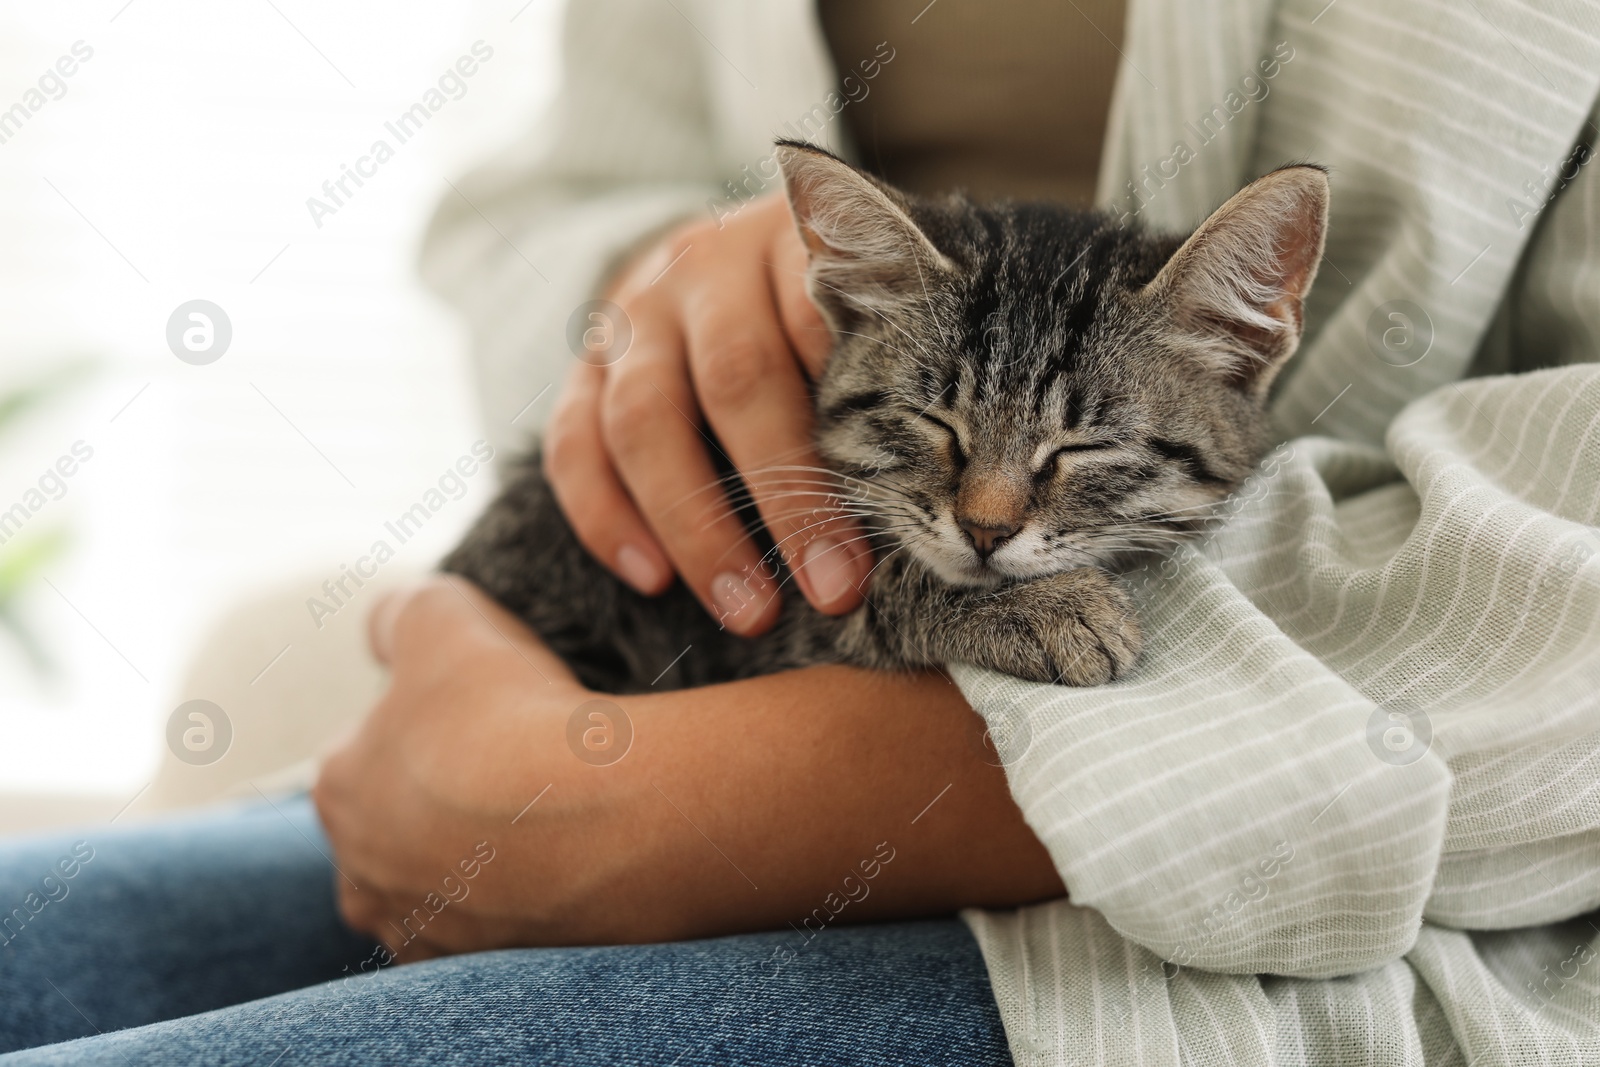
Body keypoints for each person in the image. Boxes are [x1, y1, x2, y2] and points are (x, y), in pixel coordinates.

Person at [4, 0, 1599, 1063]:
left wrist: (674, 808)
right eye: (951, 461)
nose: (987, 519)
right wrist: (667, 305)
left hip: (1273, 930)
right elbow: (532, 213)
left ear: (1248, 347)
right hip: (623, 675)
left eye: (1065, 468)